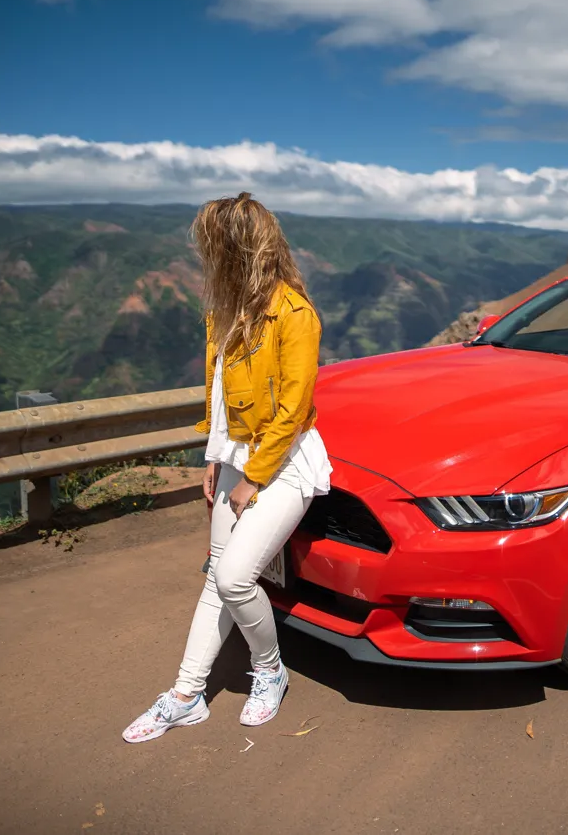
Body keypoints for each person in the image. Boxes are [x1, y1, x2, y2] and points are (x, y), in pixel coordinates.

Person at [123, 192, 332, 743]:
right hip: (237, 456)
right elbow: (217, 393)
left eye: (215, 248)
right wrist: (215, 457)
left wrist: (256, 476)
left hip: (283, 463)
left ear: (242, 250)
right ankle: (186, 695)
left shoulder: (294, 315)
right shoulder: (226, 312)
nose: (207, 259)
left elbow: (291, 409)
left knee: (236, 579)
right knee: (217, 578)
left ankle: (270, 670)